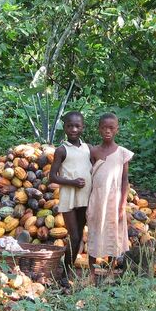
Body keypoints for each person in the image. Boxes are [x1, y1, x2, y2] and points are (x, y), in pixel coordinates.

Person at [87, 113, 134, 283]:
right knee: (94, 231)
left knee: (113, 234)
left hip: (114, 200)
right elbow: (89, 175)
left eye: (111, 128)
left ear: (117, 130)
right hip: (97, 199)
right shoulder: (93, 151)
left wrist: (122, 205)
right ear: (99, 129)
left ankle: (110, 272)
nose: (107, 131)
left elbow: (124, 180)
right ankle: (91, 273)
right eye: (104, 128)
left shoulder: (123, 153)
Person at [49, 111, 92, 276]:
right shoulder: (61, 150)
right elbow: (52, 176)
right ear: (65, 128)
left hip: (84, 197)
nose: (74, 129)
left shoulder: (88, 148)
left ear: (83, 127)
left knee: (80, 236)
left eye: (77, 126)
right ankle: (65, 274)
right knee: (73, 236)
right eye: (70, 126)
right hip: (69, 197)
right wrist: (72, 182)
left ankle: (69, 270)